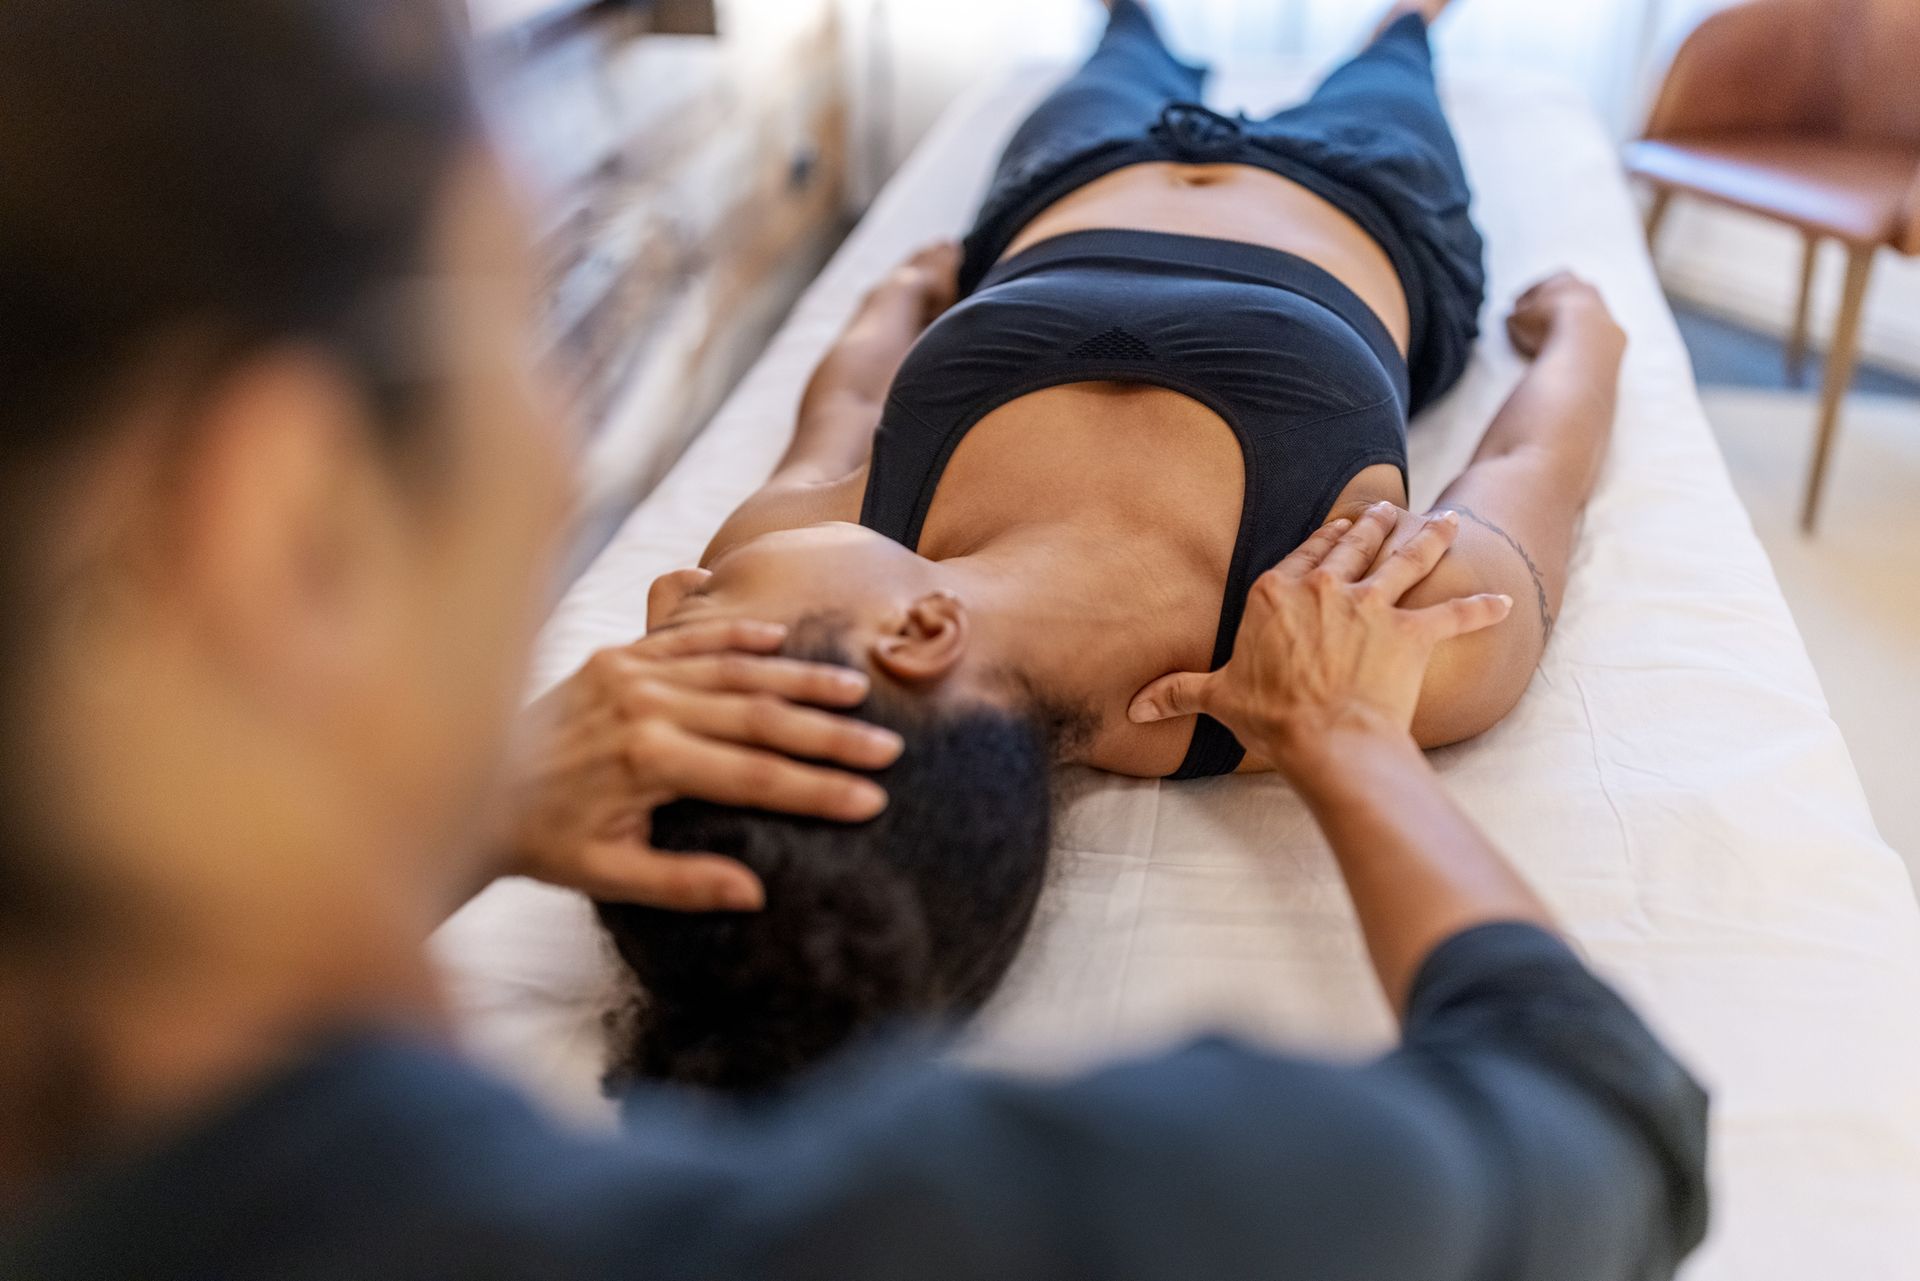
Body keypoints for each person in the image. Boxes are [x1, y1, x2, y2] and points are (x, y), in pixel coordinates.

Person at [0, 3, 1709, 1277]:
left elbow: (828, 434)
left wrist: (448, 811)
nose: (658, 599)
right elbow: (1602, 1111)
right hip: (1359, 226)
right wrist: (1351, 737)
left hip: (1077, 199)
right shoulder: (974, 1220)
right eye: (543, 315)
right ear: (283, 526)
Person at [605, 0, 1629, 1089]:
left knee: (1123, 35)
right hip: (1375, 199)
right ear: (915, 636)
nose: (671, 592)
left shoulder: (808, 536)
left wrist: (900, 296)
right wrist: (1586, 338)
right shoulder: (1345, 643)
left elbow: (847, 403)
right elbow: (1526, 478)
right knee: (1396, 51)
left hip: (1064, 181)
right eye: (695, 630)